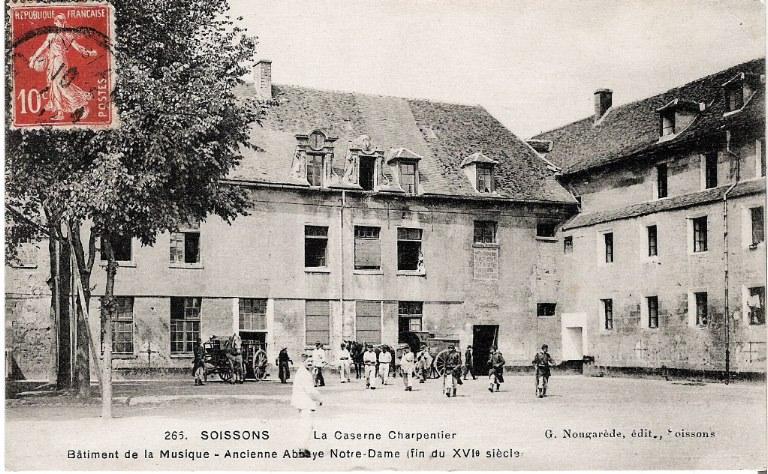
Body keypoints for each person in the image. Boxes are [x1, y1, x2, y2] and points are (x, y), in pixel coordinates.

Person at [27, 13, 97, 121]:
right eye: (59, 21)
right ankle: (67, 106)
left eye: (63, 20)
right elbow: (44, 47)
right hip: (53, 62)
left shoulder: (67, 34)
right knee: (57, 85)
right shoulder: (52, 34)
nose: (62, 22)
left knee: (57, 85)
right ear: (55, 22)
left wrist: (88, 52)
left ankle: (66, 109)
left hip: (60, 62)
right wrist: (34, 58)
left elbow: (77, 47)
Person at [291, 355, 322, 458]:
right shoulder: (304, 374)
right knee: (306, 426)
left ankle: (303, 448)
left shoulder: (304, 372)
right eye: (308, 361)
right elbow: (310, 390)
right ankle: (302, 448)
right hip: (305, 403)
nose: (310, 363)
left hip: (303, 402)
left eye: (312, 361)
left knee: (305, 424)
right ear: (303, 361)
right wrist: (319, 399)